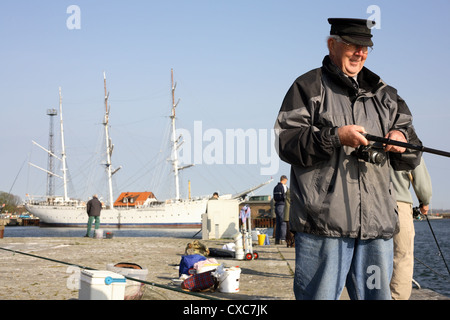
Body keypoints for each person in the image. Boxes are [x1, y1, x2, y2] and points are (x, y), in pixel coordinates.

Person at [274, 18, 422, 300]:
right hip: (323, 228)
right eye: (353, 46)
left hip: (376, 230)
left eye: (366, 47)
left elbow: (413, 151)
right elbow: (287, 142)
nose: (360, 53)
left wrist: (403, 142)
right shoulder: (306, 87)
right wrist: (335, 137)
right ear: (332, 44)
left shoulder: (386, 95)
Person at [390, 158, 432, 300]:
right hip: (399, 204)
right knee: (402, 256)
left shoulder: (367, 136)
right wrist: (424, 203)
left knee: (371, 254)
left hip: (367, 203)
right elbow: (423, 185)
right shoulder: (408, 140)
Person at [273, 175, 288, 244]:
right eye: (286, 181)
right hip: (282, 205)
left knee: (278, 223)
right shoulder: (284, 187)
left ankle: (277, 240)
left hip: (277, 206)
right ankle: (283, 239)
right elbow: (285, 197)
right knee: (283, 223)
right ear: (284, 180)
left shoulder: (275, 187)